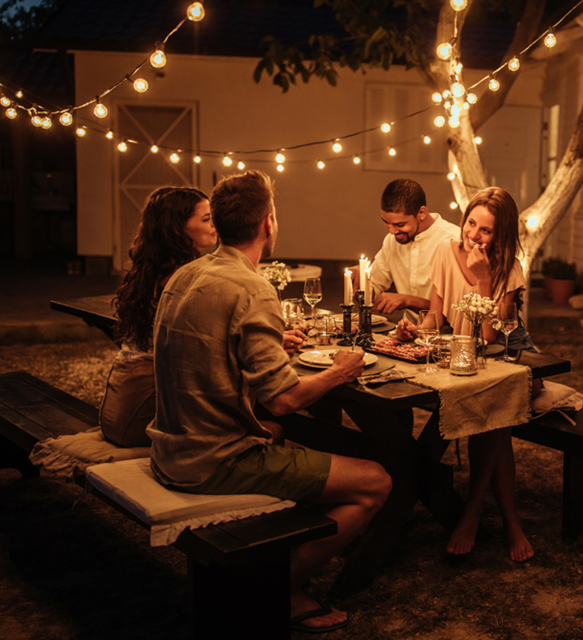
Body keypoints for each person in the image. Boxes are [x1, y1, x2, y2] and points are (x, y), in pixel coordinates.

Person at [147, 170, 391, 634]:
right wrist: (341, 370)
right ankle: (280, 588)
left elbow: (212, 350)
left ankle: (280, 556)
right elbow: (283, 400)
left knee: (289, 438)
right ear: (268, 224)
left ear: (218, 223)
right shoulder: (252, 287)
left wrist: (271, 342)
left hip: (170, 447)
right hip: (212, 461)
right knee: (376, 480)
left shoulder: (187, 274)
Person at [396, 186, 537, 562]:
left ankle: (471, 513)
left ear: (501, 235)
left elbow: (490, 337)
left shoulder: (509, 268)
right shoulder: (446, 250)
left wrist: (483, 280)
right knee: (496, 426)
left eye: (486, 230)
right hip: (459, 355)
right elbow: (435, 316)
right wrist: (417, 330)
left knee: (492, 418)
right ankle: (510, 522)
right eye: (471, 223)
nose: (473, 235)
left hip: (503, 357)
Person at [101, 187, 216, 447]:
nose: (214, 225)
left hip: (119, 407)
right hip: (141, 412)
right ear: (177, 228)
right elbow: (205, 345)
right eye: (206, 219)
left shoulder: (152, 268)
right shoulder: (181, 277)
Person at [365, 178, 460, 323]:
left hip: (449, 337)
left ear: (421, 213)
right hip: (407, 334)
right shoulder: (392, 241)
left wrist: (408, 300)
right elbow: (373, 290)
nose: (392, 231)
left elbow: (458, 312)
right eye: (386, 223)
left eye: (400, 224)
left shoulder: (454, 240)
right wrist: (361, 280)